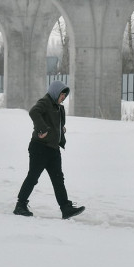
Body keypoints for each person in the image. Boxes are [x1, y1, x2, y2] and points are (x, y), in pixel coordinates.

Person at [13, 80, 85, 220]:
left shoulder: (59, 107)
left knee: (58, 180)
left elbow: (56, 123)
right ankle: (20, 205)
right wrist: (42, 128)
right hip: (39, 148)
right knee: (33, 177)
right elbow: (34, 112)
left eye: (65, 95)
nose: (63, 97)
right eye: (62, 94)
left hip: (53, 149)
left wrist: (61, 130)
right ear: (55, 92)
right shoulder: (45, 101)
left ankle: (65, 208)